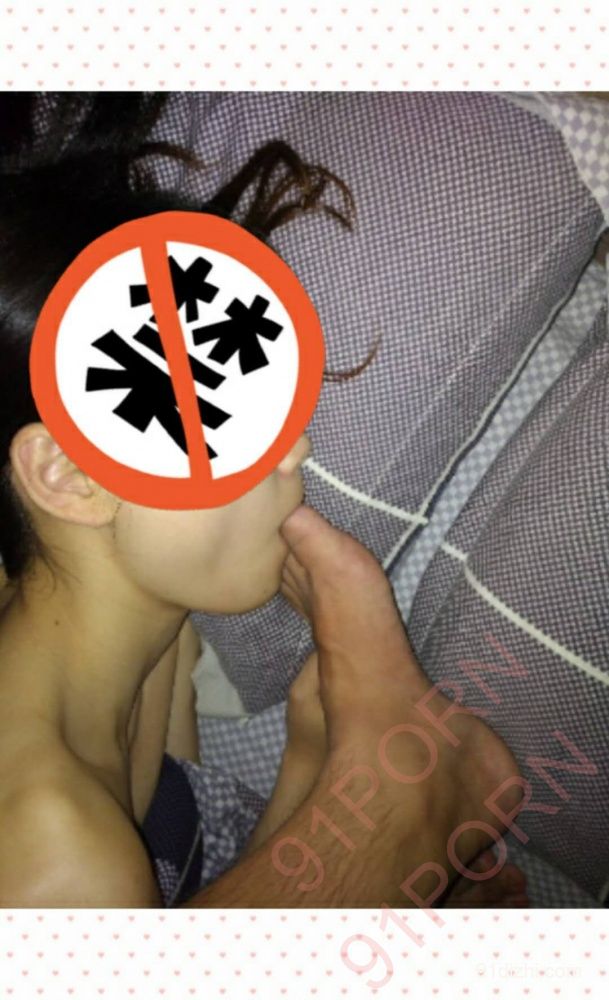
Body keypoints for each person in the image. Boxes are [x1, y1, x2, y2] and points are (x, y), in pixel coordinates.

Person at [0, 93, 528, 907]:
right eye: (226, 414)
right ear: (70, 474)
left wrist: (310, 759)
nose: (298, 449)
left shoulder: (146, 648)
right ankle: (394, 810)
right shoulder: (56, 861)